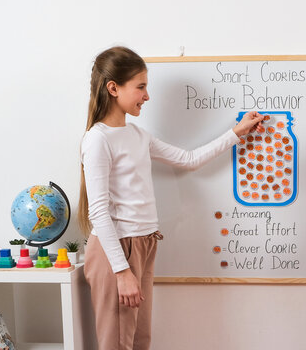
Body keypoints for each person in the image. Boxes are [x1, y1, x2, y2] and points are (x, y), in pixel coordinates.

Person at [77, 46, 264, 350]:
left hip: (144, 242)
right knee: (117, 342)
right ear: (113, 88)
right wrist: (122, 272)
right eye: (140, 87)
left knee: (139, 339)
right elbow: (98, 212)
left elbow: (189, 159)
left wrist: (236, 133)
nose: (147, 96)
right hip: (117, 250)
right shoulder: (97, 139)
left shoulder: (137, 134)